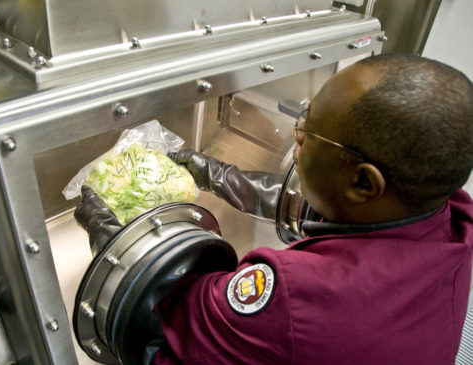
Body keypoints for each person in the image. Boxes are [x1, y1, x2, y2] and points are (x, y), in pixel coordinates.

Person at [150, 54, 473, 364]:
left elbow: (164, 321)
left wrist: (127, 241)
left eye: (311, 131)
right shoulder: (448, 214)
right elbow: (330, 207)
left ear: (363, 182)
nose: (297, 134)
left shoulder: (297, 295)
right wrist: (218, 176)